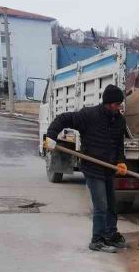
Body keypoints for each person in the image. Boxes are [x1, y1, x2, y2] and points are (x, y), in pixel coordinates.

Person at [44, 84, 129, 253]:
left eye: (120, 104)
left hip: (108, 168)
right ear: (108, 103)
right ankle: (97, 240)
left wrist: (120, 161)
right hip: (92, 168)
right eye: (116, 104)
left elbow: (119, 144)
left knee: (112, 205)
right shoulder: (89, 115)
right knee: (101, 205)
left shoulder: (119, 120)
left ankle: (111, 234)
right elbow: (62, 119)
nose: (119, 107)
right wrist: (51, 136)